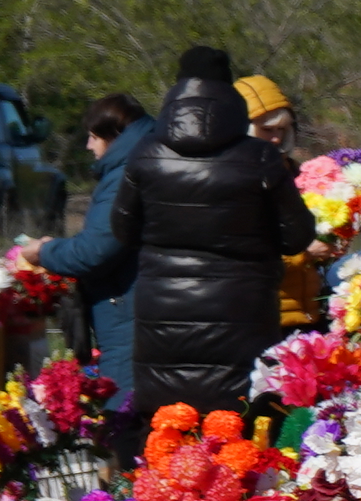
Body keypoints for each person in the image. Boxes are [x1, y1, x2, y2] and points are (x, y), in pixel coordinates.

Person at [110, 46, 315, 422]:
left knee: (170, 435)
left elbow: (123, 230)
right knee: (245, 433)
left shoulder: (145, 153)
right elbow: (297, 236)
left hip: (164, 321)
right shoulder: (261, 158)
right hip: (243, 316)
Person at [12, 92, 158, 410]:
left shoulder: (124, 176)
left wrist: (45, 251)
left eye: (93, 137)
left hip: (127, 314)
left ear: (114, 135)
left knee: (125, 413)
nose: (89, 146)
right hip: (138, 307)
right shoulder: (145, 161)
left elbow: (96, 250)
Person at [236, 74, 329, 329]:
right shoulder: (236, 179)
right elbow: (244, 252)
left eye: (282, 130)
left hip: (308, 313)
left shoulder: (297, 172)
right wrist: (304, 254)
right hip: (265, 317)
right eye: (267, 130)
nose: (276, 138)